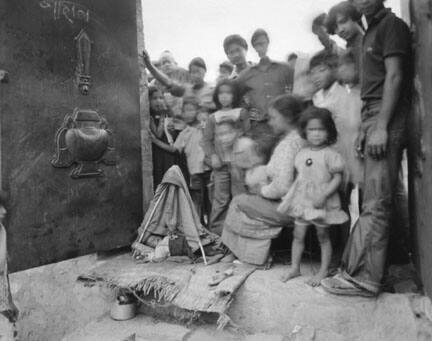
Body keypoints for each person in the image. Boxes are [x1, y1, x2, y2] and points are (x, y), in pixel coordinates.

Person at [322, 0, 413, 297]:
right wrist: (366, 126)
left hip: (385, 114)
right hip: (371, 113)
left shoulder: (391, 26)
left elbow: (396, 77)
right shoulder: (371, 31)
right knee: (374, 197)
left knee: (377, 200)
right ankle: (368, 270)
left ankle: (365, 278)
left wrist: (382, 126)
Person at [221, 95, 306, 266]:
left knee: (239, 202)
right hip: (300, 202)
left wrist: (262, 191)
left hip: (292, 208)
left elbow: (282, 187)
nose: (270, 122)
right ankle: (238, 253)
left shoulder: (288, 145)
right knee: (247, 199)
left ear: (288, 117)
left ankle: (249, 256)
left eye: (274, 118)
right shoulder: (299, 139)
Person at [278, 107, 348, 286]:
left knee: (323, 236)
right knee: (298, 234)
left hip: (321, 201)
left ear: (329, 131)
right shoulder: (301, 153)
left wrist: (324, 195)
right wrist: (292, 196)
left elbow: (337, 178)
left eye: (321, 129)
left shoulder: (331, 154)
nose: (316, 134)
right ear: (304, 131)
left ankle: (323, 270)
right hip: (303, 200)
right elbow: (301, 177)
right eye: (312, 130)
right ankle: (295, 267)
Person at [150, 96, 211, 223]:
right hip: (195, 172)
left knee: (211, 200)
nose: (188, 113)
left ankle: (211, 227)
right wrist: (155, 141)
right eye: (185, 111)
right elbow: (174, 150)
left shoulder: (205, 126)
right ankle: (198, 228)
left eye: (192, 110)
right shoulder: (184, 133)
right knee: (196, 200)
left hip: (210, 168)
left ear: (198, 112)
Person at [202, 79, 250, 235]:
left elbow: (247, 136)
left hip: (238, 165)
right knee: (220, 200)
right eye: (221, 93)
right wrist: (213, 156)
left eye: (228, 93)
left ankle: (241, 232)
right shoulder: (213, 118)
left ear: (234, 95)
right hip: (220, 166)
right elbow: (206, 141)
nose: (224, 97)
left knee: (240, 197)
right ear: (216, 96)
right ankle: (217, 235)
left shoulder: (241, 113)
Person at [310, 51, 362, 186]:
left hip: (342, 150)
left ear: (334, 70)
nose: (316, 76)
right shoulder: (317, 97)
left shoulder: (343, 95)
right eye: (312, 73)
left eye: (321, 70)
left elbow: (348, 129)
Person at [236, 29, 294, 127]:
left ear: (268, 42)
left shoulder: (285, 68)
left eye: (262, 43)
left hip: (284, 122)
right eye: (256, 45)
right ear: (253, 47)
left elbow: (295, 90)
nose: (260, 47)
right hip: (259, 124)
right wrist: (247, 110)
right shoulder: (245, 75)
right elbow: (236, 97)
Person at [142, 51, 215, 113]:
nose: (196, 75)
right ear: (190, 74)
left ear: (205, 71)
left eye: (198, 71)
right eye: (193, 72)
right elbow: (169, 83)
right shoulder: (186, 90)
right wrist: (150, 66)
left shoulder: (213, 89)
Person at [148, 86, 182, 189]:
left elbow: (175, 140)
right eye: (154, 98)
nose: (158, 101)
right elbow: (157, 134)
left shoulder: (169, 115)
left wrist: (173, 132)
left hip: (169, 155)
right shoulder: (148, 117)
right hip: (156, 155)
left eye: (161, 98)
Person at [0, 192, 19, 340]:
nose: (4, 211)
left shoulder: (2, 231)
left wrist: (10, 302)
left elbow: (4, 272)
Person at [326, 1, 364, 70]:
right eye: (335, 28)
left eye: (343, 21)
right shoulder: (349, 48)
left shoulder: (364, 43)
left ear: (354, 17)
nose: (340, 30)